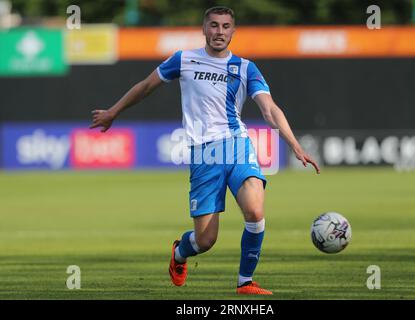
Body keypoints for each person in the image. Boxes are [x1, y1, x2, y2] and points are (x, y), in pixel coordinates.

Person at [90, 6, 320, 295]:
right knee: (205, 241)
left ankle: (245, 282)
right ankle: (179, 254)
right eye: (213, 25)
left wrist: (294, 145)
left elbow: (269, 109)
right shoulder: (183, 60)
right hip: (204, 155)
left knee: (255, 210)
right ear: (204, 29)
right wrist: (114, 112)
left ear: (233, 31)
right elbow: (146, 86)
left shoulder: (246, 68)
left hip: (237, 145)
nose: (219, 32)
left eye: (225, 26)